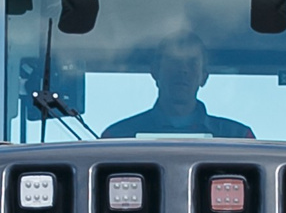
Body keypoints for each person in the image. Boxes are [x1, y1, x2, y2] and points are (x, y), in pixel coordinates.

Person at [102, 36, 256, 139]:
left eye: (192, 63)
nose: (183, 70)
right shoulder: (116, 137)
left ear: (204, 77)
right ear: (155, 71)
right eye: (174, 61)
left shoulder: (239, 138)